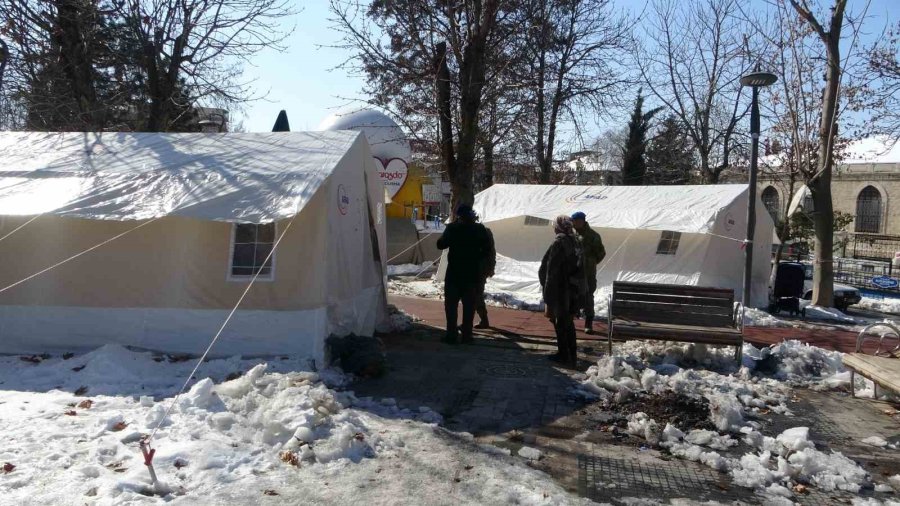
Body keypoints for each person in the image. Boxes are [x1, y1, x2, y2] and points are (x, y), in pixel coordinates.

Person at [436, 204, 492, 344]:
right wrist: (477, 258)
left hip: (454, 273)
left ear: (458, 215)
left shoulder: (453, 228)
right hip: (472, 273)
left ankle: (451, 335)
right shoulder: (479, 229)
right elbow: (487, 249)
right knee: (469, 307)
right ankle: (467, 335)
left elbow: (441, 244)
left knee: (451, 306)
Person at [539, 215, 584, 367]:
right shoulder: (576, 241)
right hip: (573, 288)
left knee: (560, 322)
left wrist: (547, 293)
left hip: (560, 289)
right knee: (568, 322)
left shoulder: (559, 243)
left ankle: (564, 354)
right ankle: (572, 353)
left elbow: (551, 269)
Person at [571, 211, 605, 334]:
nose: (574, 223)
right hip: (574, 272)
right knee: (572, 295)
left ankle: (588, 323)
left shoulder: (593, 236)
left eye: (576, 221)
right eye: (573, 221)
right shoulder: (571, 234)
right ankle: (571, 319)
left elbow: (601, 253)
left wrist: (590, 263)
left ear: (582, 221)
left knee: (588, 297)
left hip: (588, 273)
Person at [474, 226, 496, 329]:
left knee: (475, 295)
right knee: (476, 295)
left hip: (478, 269)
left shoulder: (480, 231)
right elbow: (492, 253)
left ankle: (483, 319)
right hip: (481, 269)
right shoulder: (485, 231)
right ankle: (483, 319)